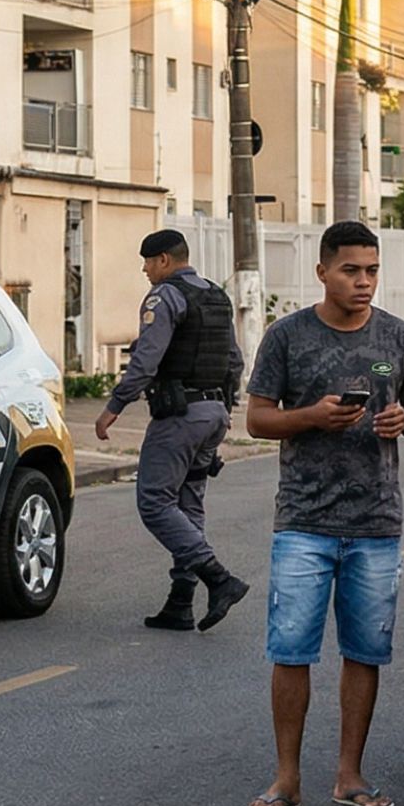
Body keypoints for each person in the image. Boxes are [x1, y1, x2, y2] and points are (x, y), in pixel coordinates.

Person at [240, 221, 404, 806]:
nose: (364, 282)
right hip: (303, 521)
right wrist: (312, 417)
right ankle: (286, 779)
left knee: (365, 652)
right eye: (351, 270)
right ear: (322, 271)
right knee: (291, 650)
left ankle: (350, 776)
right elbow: (256, 420)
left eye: (372, 270)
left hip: (376, 522)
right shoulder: (287, 337)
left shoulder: (396, 337)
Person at [95, 229, 250, 632]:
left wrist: (113, 408)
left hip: (180, 416)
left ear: (164, 259)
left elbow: (146, 361)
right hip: (212, 414)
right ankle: (180, 602)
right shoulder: (216, 295)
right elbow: (234, 360)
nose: (144, 270)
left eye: (147, 261)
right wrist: (225, 407)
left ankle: (218, 578)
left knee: (154, 501)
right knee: (188, 502)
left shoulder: (165, 296)